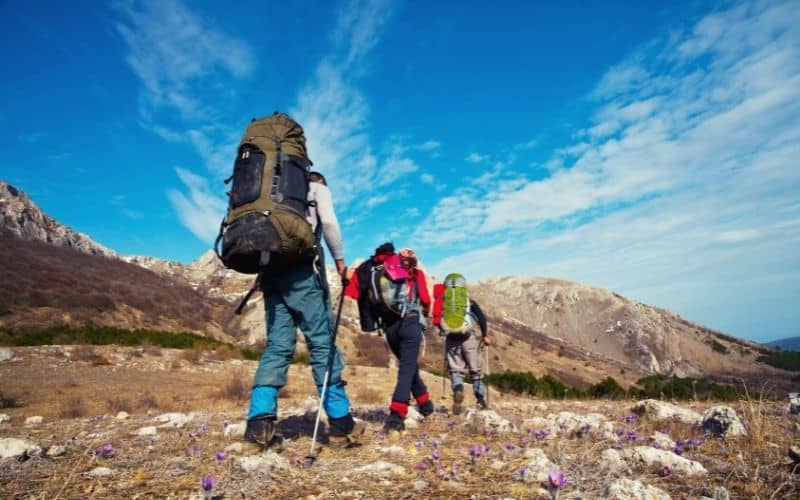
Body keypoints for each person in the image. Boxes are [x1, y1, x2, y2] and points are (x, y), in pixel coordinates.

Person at [244, 170, 363, 450]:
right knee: (322, 344)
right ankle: (340, 424)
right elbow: (330, 223)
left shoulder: (272, 195)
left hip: (271, 273)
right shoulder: (316, 188)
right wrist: (341, 264)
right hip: (302, 273)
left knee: (277, 347)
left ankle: (258, 425)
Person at [344, 244, 434, 436]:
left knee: (409, 366)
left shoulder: (382, 274)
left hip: (390, 329)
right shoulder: (417, 275)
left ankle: (425, 404)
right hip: (410, 323)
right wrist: (425, 313)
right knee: (407, 369)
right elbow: (425, 299)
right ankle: (396, 414)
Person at [444, 296, 490, 414]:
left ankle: (458, 391)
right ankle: (480, 401)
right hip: (468, 338)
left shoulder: (446, 300)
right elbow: (481, 318)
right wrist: (485, 335)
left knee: (456, 371)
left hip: (451, 339)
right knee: (476, 370)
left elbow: (437, 318)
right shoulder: (469, 301)